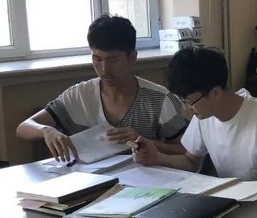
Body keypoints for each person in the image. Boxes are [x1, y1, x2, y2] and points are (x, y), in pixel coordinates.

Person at [130, 46, 257, 193]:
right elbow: (191, 161)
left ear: (215, 92)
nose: (186, 108)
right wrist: (157, 157)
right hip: (230, 202)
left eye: (189, 102)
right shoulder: (204, 115)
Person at [16, 15, 188, 162]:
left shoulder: (159, 99)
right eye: (97, 59)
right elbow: (23, 127)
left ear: (132, 57)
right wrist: (46, 131)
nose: (104, 69)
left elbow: (186, 152)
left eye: (113, 60)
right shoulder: (79, 95)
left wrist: (146, 143)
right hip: (90, 181)